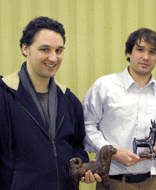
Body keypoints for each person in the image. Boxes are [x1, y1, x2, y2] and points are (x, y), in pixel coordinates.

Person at [0, 16, 100, 190]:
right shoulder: (4, 95)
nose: (53, 58)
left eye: (59, 50)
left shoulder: (69, 100)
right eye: (45, 49)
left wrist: (82, 167)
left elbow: (77, 147)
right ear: (25, 49)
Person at [83, 28, 156, 190]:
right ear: (129, 53)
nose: (145, 57)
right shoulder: (104, 87)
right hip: (113, 182)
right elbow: (87, 125)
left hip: (153, 182)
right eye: (140, 49)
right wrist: (112, 152)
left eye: (152, 52)